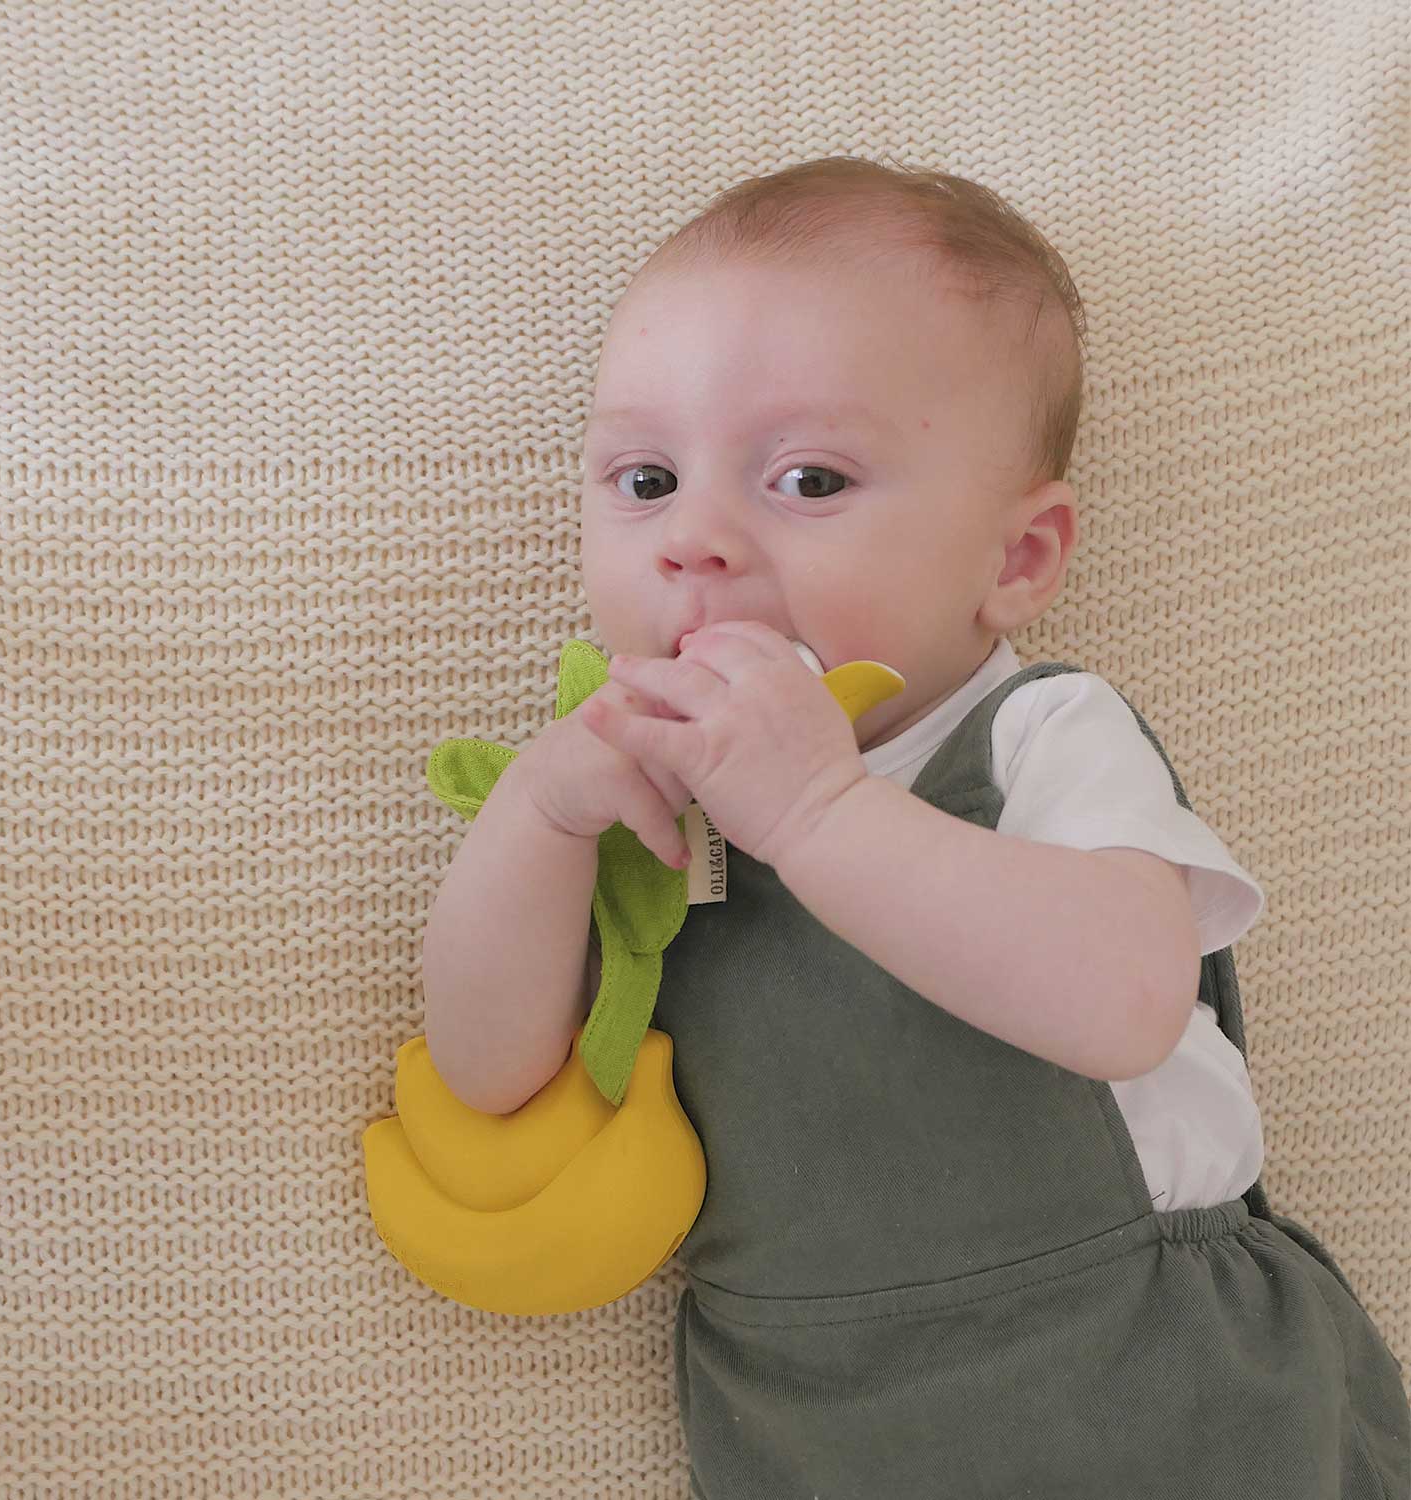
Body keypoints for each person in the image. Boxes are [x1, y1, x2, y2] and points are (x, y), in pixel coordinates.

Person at [421, 156, 1410, 1497]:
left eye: (809, 480)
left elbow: (1125, 999)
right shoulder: (633, 801)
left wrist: (821, 811)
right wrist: (536, 821)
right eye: (644, 480)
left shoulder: (1033, 740)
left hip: (1152, 1386)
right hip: (811, 1424)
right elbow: (491, 1075)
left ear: (1015, 563)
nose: (693, 538)